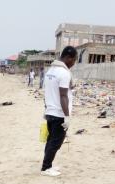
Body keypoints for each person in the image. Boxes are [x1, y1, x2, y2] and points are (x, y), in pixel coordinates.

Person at [40, 46, 77, 177]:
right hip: (58, 113)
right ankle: (45, 168)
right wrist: (67, 117)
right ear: (69, 58)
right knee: (55, 142)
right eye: (74, 61)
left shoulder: (51, 70)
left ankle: (48, 165)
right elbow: (63, 96)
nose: (73, 64)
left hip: (50, 111)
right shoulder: (64, 73)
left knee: (51, 141)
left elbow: (49, 91)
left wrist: (46, 108)